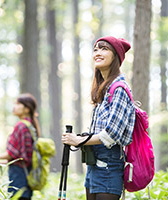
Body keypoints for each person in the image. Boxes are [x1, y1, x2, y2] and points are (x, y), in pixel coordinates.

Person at [62, 36, 136, 200]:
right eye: (95, 49)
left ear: (115, 56)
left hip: (109, 166)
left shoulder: (120, 89)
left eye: (104, 49)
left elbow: (111, 134)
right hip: (95, 165)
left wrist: (78, 141)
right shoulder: (105, 91)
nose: (97, 52)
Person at [0, 93, 40, 200]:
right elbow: (21, 159)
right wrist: (0, 162)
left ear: (27, 109)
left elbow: (13, 154)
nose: (14, 106)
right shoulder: (31, 126)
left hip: (18, 178)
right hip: (27, 176)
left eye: (18, 104)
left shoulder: (21, 126)